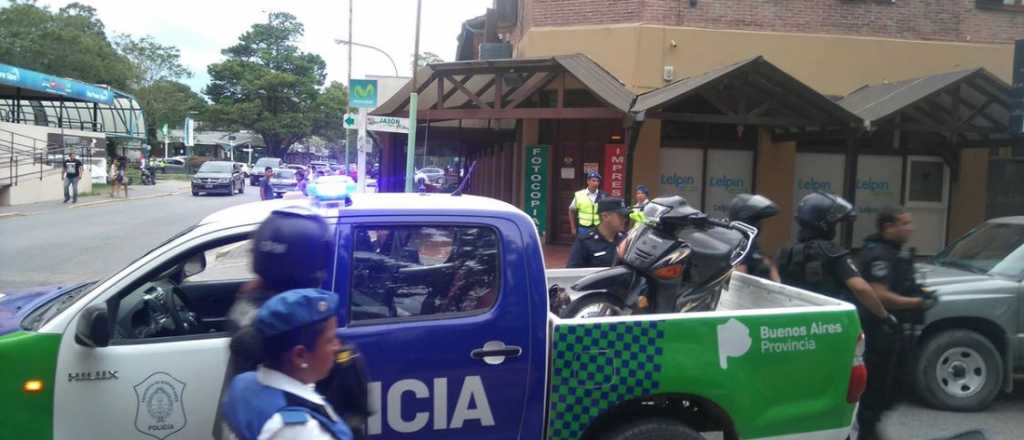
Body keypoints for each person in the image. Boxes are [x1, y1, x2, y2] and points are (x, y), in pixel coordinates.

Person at [776, 193, 900, 436]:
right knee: (839, 395)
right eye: (834, 222)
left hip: (796, 333)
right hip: (831, 336)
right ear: (824, 224)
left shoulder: (787, 253)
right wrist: (885, 316)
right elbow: (861, 287)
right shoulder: (832, 253)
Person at [220, 289, 353, 440]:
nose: (338, 347)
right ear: (300, 356)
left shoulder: (244, 383)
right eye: (331, 340)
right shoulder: (300, 429)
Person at [855, 207, 935, 440]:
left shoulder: (895, 253)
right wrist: (918, 302)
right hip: (878, 334)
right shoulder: (878, 255)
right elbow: (879, 294)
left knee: (893, 389)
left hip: (893, 335)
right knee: (876, 393)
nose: (910, 228)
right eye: (905, 223)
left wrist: (920, 293)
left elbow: (901, 285)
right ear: (888, 227)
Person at [728, 194, 781, 282]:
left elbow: (776, 279)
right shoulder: (738, 244)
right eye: (756, 220)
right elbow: (739, 280)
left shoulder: (751, 244)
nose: (759, 224)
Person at [567, 197, 628, 268]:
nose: (625, 219)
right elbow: (572, 272)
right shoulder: (585, 242)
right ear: (605, 216)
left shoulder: (625, 240)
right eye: (621, 216)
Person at [568, 172, 607, 239]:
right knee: (583, 248)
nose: (596, 183)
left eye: (598, 181)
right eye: (593, 181)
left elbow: (607, 213)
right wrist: (573, 228)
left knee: (597, 248)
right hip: (583, 228)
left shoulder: (603, 195)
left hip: (598, 228)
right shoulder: (579, 195)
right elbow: (571, 210)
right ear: (588, 181)